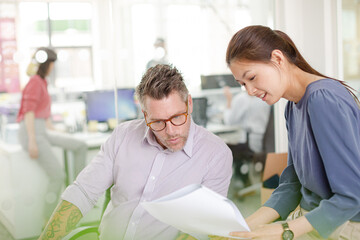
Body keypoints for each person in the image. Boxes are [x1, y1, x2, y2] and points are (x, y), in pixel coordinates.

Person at [38, 64, 233, 240]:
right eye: (158, 122)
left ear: (189, 104)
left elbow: (201, 229)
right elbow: (83, 192)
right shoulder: (123, 136)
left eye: (177, 117)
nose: (171, 131)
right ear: (145, 115)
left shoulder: (215, 154)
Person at [221, 25, 360, 240]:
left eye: (252, 78)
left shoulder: (322, 99)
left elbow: (352, 196)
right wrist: (242, 228)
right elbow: (292, 185)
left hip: (341, 225)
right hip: (308, 219)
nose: (249, 91)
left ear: (277, 58)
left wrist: (284, 230)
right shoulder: (292, 107)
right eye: (242, 84)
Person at [17, 47, 88, 223]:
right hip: (31, 132)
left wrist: (56, 130)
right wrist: (32, 141)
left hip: (41, 130)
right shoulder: (34, 82)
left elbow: (43, 115)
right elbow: (29, 113)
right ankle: (46, 220)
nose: (53, 68)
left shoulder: (42, 82)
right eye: (52, 64)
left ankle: (77, 195)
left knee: (80, 145)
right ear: (46, 64)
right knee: (57, 175)